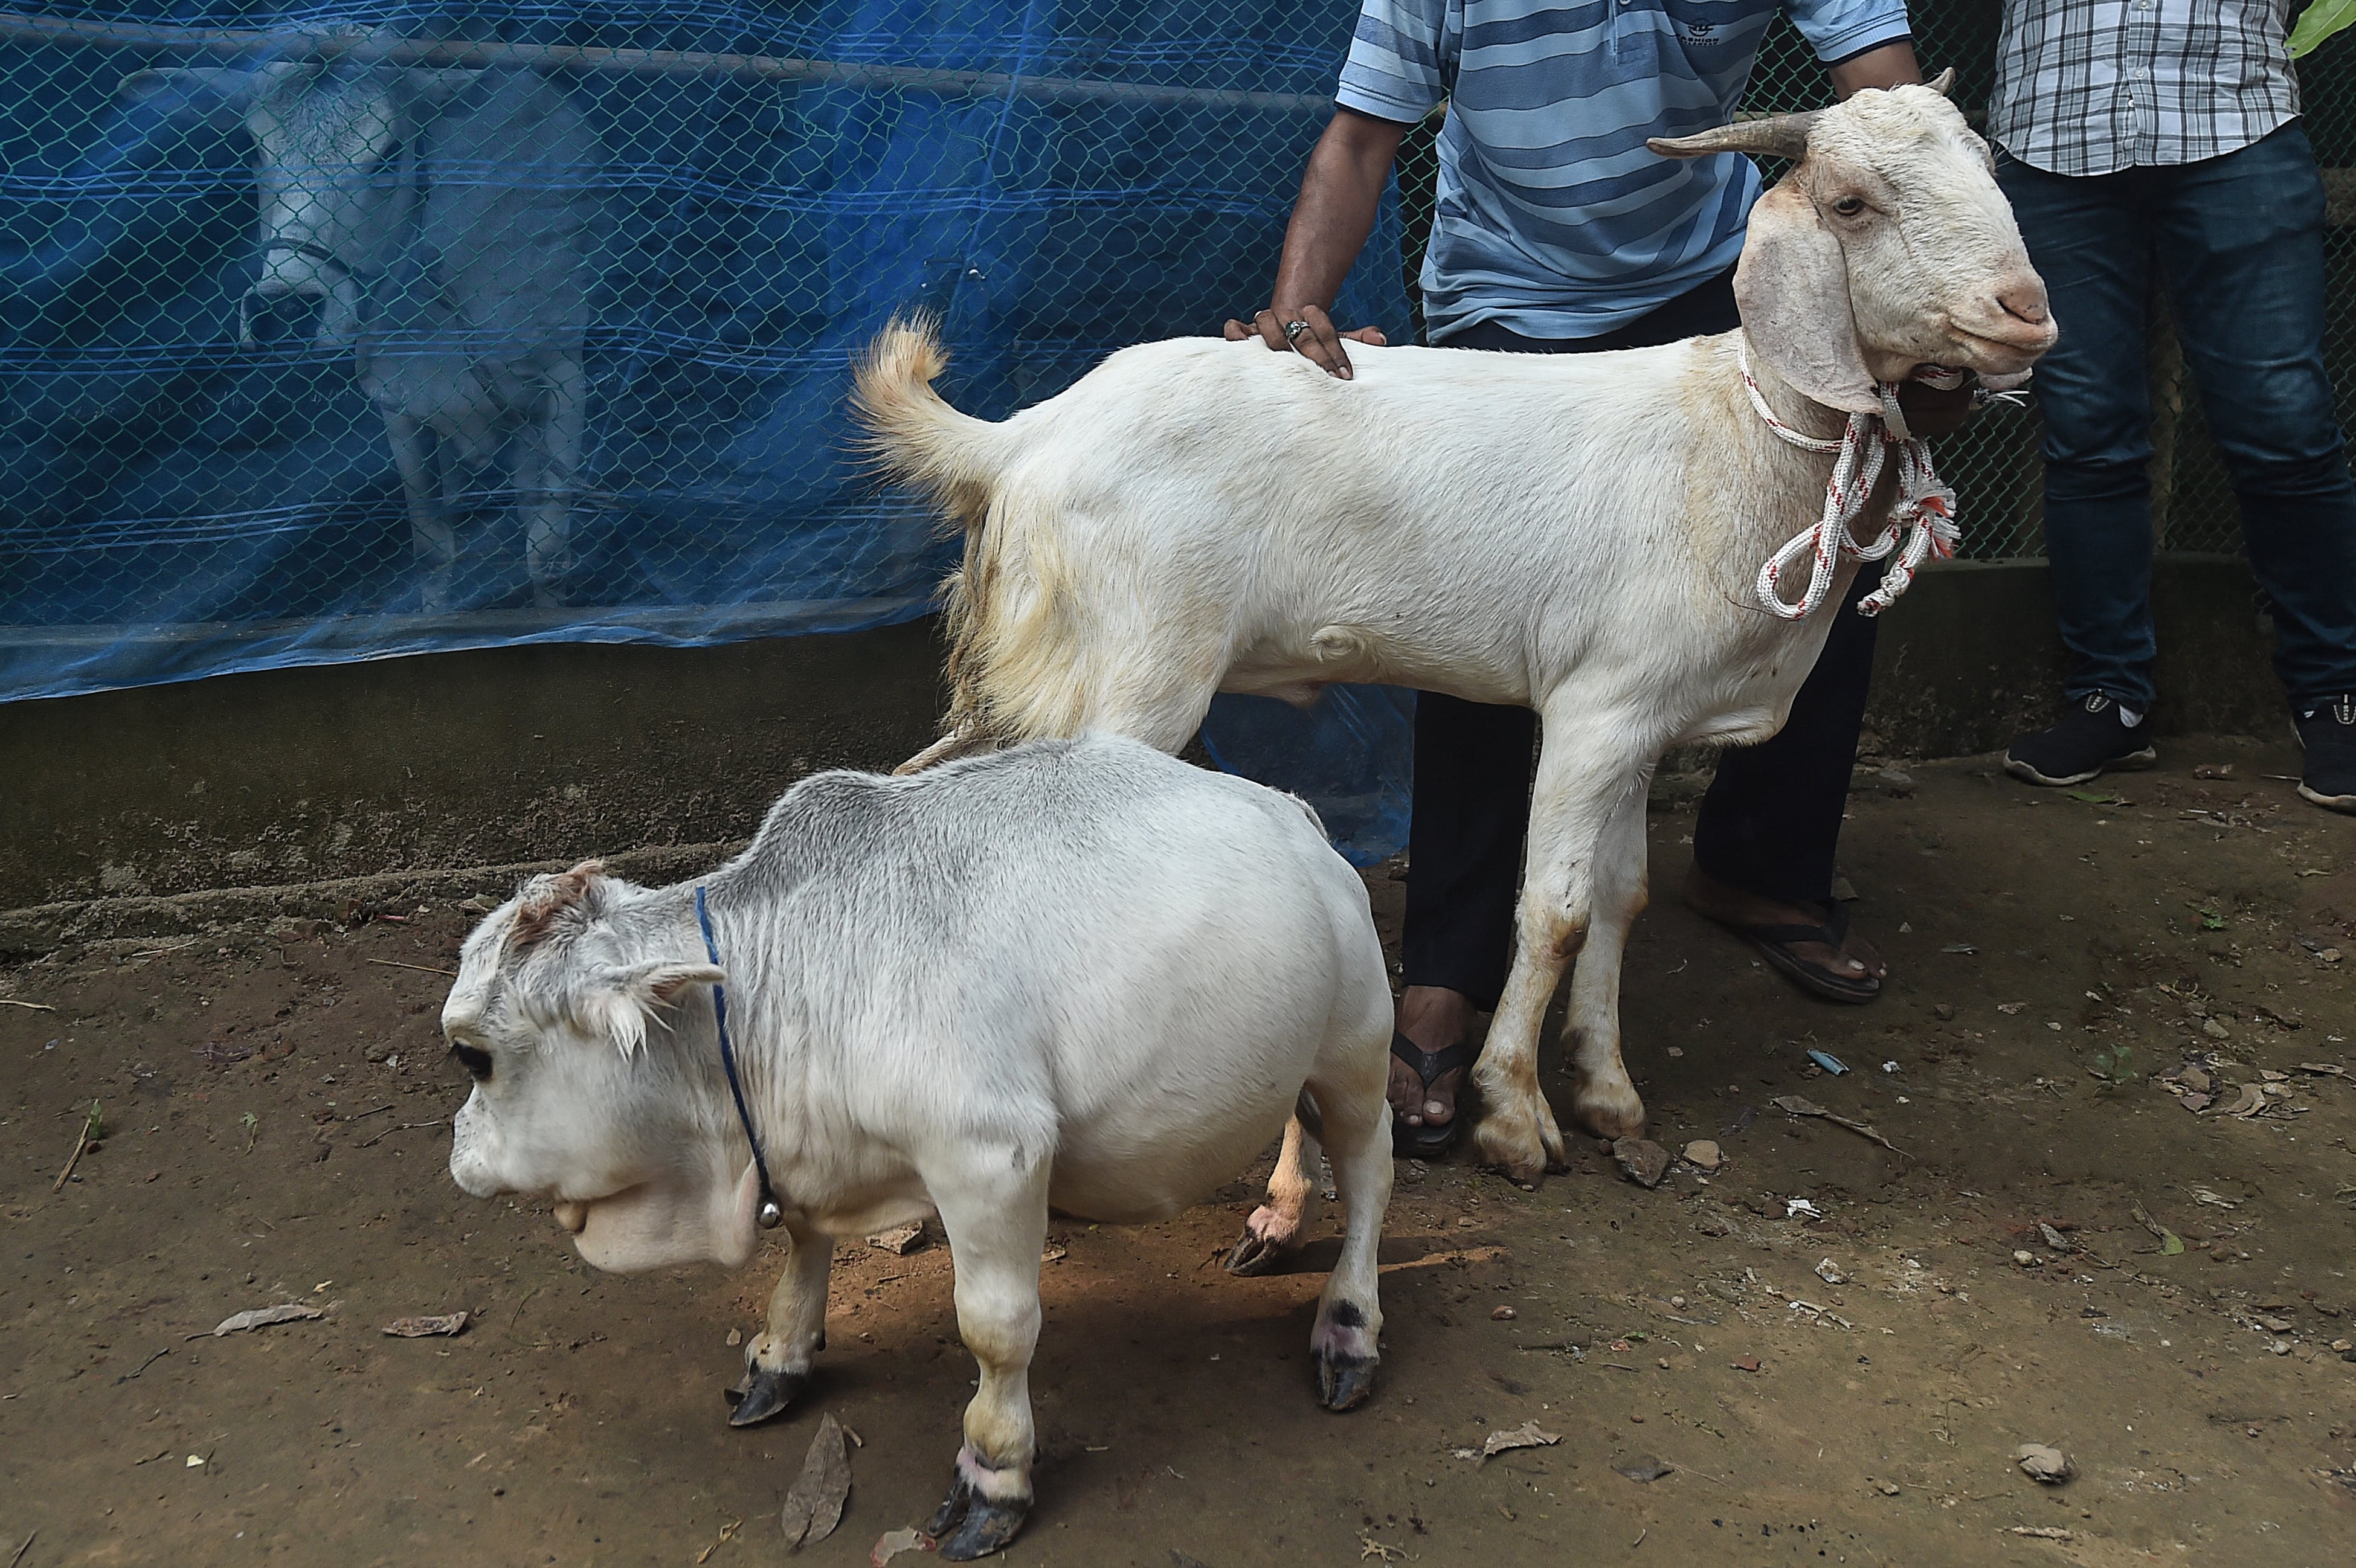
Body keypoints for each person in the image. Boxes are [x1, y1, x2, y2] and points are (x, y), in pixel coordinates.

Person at [1226, 1, 1966, 1154]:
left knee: (1823, 549)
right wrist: (1300, 306)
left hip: (1711, 279)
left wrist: (1929, 330)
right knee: (1477, 617)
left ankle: (1763, 870)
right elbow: (1363, 136)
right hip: (1510, 290)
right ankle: (1449, 975)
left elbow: (1897, 117)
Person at [1992, 0, 2356, 811]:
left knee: (2283, 420)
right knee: (2086, 429)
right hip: (2055, 125)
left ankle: (2335, 695)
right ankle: (2108, 699)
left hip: (2235, 115)